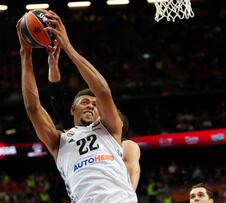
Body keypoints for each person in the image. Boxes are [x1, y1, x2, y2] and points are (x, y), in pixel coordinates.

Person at [16, 10, 138, 203]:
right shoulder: (59, 142)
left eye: (94, 104)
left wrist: (68, 48)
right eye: (85, 102)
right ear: (72, 109)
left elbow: (103, 92)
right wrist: (26, 54)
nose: (91, 105)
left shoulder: (111, 129)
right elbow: (33, 108)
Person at [47, 39, 141, 191]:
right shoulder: (78, 131)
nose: (93, 108)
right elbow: (57, 101)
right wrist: (53, 65)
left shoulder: (127, 146)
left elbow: (132, 179)